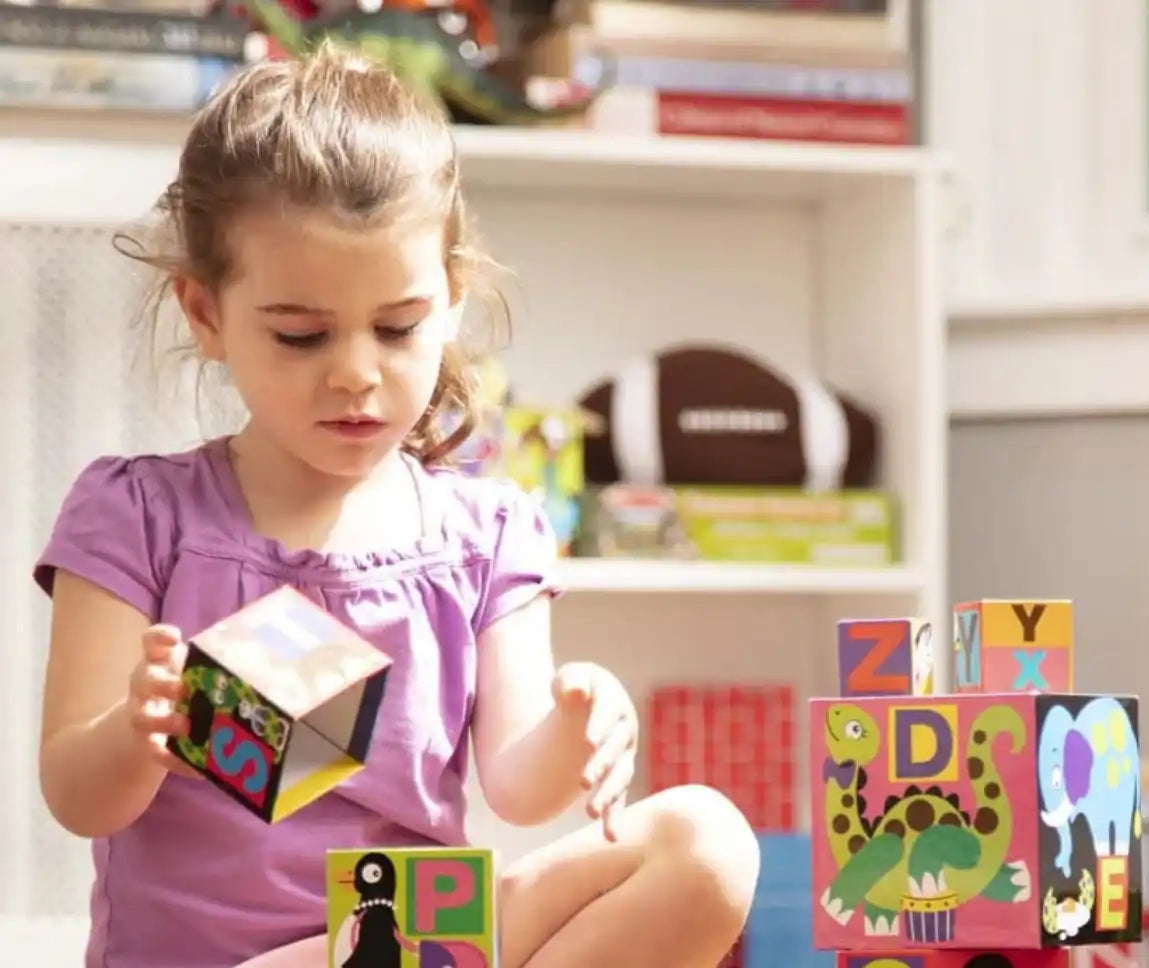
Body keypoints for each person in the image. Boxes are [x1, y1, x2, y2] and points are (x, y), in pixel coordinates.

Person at [34, 43, 759, 968]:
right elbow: (75, 794)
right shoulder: (140, 514)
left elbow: (521, 787)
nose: (355, 373)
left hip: (411, 946)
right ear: (205, 314)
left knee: (707, 841)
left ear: (452, 300)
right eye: (300, 335)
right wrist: (141, 733)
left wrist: (587, 721)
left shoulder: (486, 533)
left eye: (398, 326)